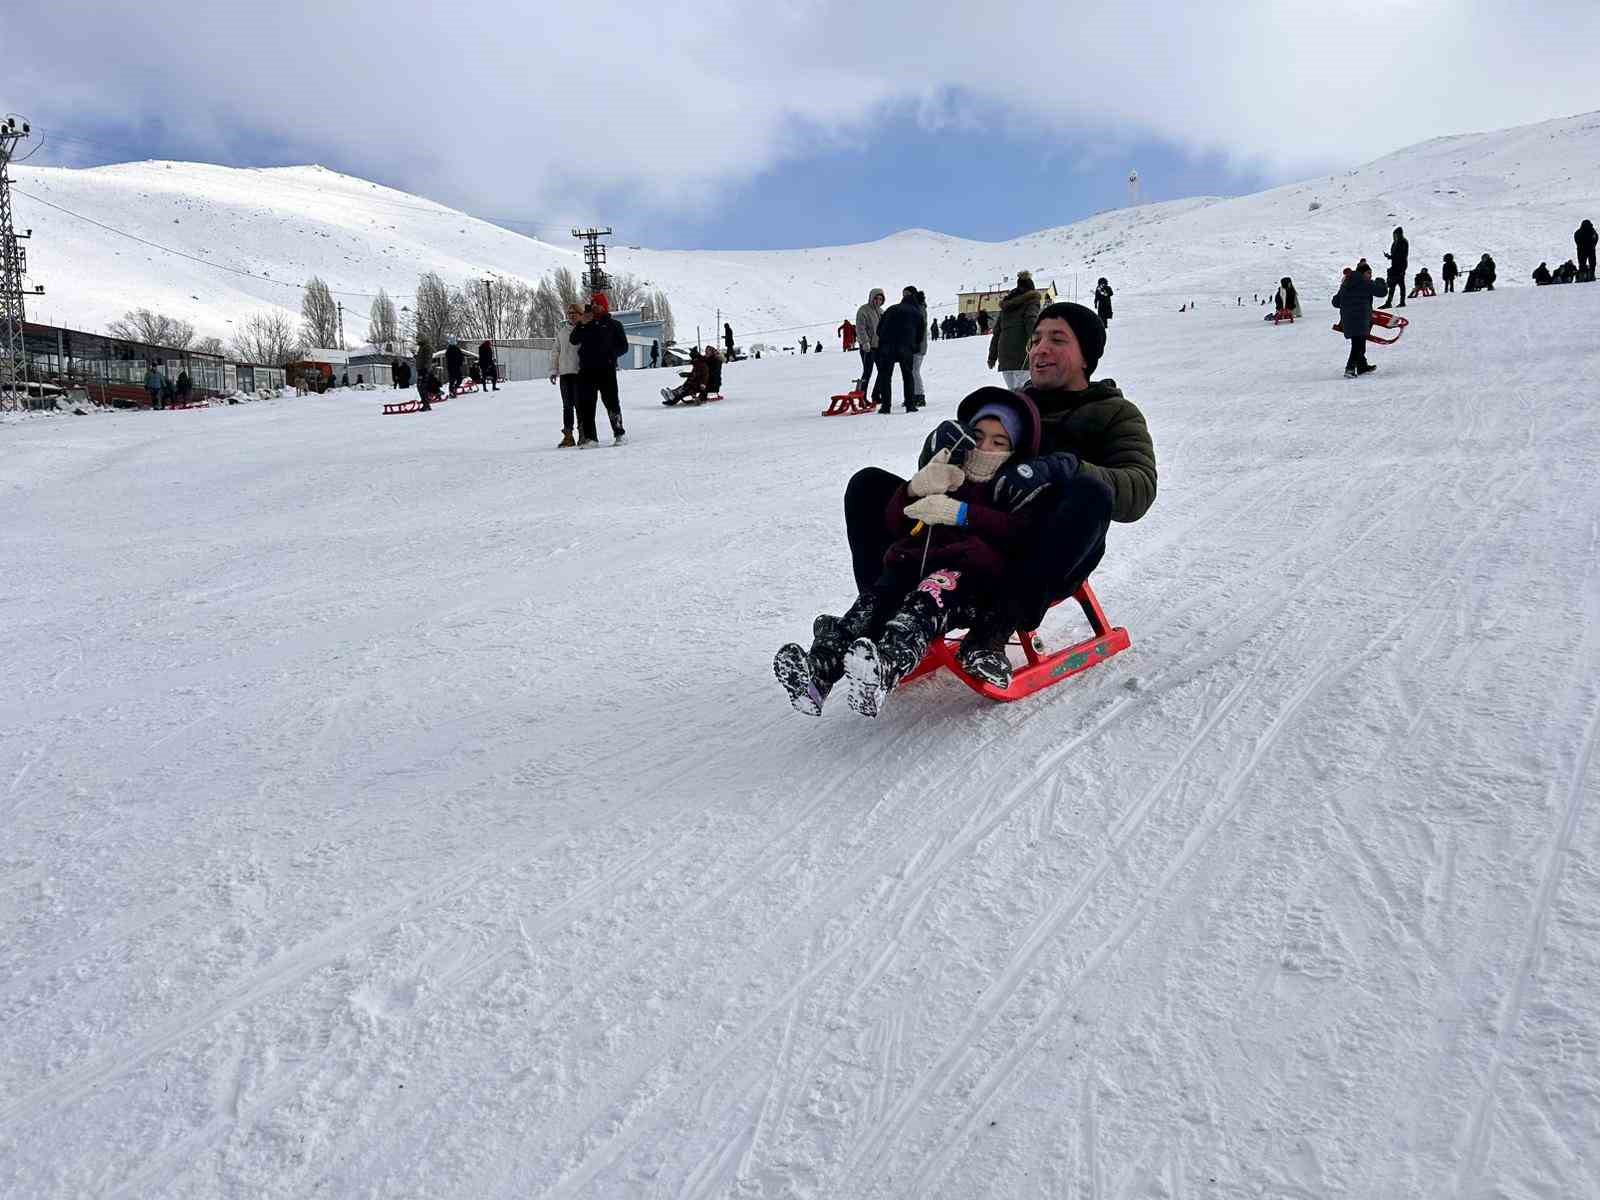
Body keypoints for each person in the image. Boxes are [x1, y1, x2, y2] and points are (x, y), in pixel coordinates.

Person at [836, 302, 1155, 695]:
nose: (1040, 348)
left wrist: (1070, 467)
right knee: (868, 485)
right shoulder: (1013, 406)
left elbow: (1140, 487)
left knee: (1091, 494)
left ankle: (993, 630)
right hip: (966, 542)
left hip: (1036, 555)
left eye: (1057, 340)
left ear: (1086, 355)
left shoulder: (1114, 413)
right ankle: (879, 614)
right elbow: (948, 480)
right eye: (1036, 339)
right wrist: (939, 450)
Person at [774, 388, 1046, 716]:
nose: (984, 447)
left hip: (962, 580)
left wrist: (964, 515)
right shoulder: (951, 472)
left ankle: (886, 668)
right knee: (867, 608)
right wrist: (915, 489)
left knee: (919, 612)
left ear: (1013, 450)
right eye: (977, 437)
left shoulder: (1011, 489)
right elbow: (897, 521)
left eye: (998, 442)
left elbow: (1017, 535)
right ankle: (819, 671)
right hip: (911, 565)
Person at [569, 301, 629, 446]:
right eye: (593, 304)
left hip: (606, 370)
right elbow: (573, 340)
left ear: (604, 307)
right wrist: (582, 323)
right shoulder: (586, 324)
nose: (594, 306)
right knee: (587, 404)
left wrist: (611, 355)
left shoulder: (614, 325)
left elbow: (623, 346)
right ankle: (591, 438)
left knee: (611, 402)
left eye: (598, 304)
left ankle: (619, 434)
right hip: (587, 370)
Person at [873, 286, 924, 414]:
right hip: (906, 348)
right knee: (908, 376)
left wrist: (885, 340)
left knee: (885, 376)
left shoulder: (891, 309)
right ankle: (910, 405)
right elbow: (920, 333)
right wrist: (914, 345)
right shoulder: (917, 313)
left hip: (887, 347)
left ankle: (886, 407)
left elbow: (879, 330)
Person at [988, 271, 1041, 389]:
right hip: (1022, 354)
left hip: (1005, 356)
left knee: (1013, 392)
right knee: (1024, 392)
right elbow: (1031, 321)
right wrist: (1037, 344)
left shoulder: (1006, 306)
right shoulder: (1032, 301)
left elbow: (997, 333)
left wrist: (992, 357)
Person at [1333, 262, 1386, 378]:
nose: (1370, 275)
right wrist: (1380, 281)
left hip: (1348, 319)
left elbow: (1335, 302)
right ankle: (1350, 369)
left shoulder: (1346, 283)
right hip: (1360, 318)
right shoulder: (1364, 282)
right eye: (1369, 273)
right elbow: (1382, 292)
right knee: (1358, 345)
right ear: (1362, 273)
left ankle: (1362, 366)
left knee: (1359, 343)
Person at [548, 303, 585, 446]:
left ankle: (583, 433)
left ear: (581, 315)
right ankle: (568, 436)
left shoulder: (584, 330)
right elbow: (555, 351)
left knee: (580, 405)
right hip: (565, 374)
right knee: (567, 406)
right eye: (569, 313)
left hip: (579, 373)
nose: (572, 315)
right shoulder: (562, 332)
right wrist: (553, 370)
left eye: (575, 313)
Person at [854, 289, 884, 395]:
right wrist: (865, 342)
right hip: (867, 347)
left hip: (878, 346)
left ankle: (876, 394)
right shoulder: (863, 310)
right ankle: (862, 396)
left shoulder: (881, 312)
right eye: (876, 298)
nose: (878, 301)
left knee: (883, 370)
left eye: (880, 299)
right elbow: (860, 328)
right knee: (867, 371)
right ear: (871, 298)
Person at [1381, 226, 1409, 308]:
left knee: (1400, 283)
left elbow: (1401, 255)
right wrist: (1389, 256)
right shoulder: (1395, 242)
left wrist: (1392, 257)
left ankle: (1400, 302)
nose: (1394, 236)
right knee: (1394, 283)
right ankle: (1390, 302)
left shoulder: (1403, 242)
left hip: (1401, 266)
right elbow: (1395, 255)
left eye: (1395, 234)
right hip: (1395, 266)